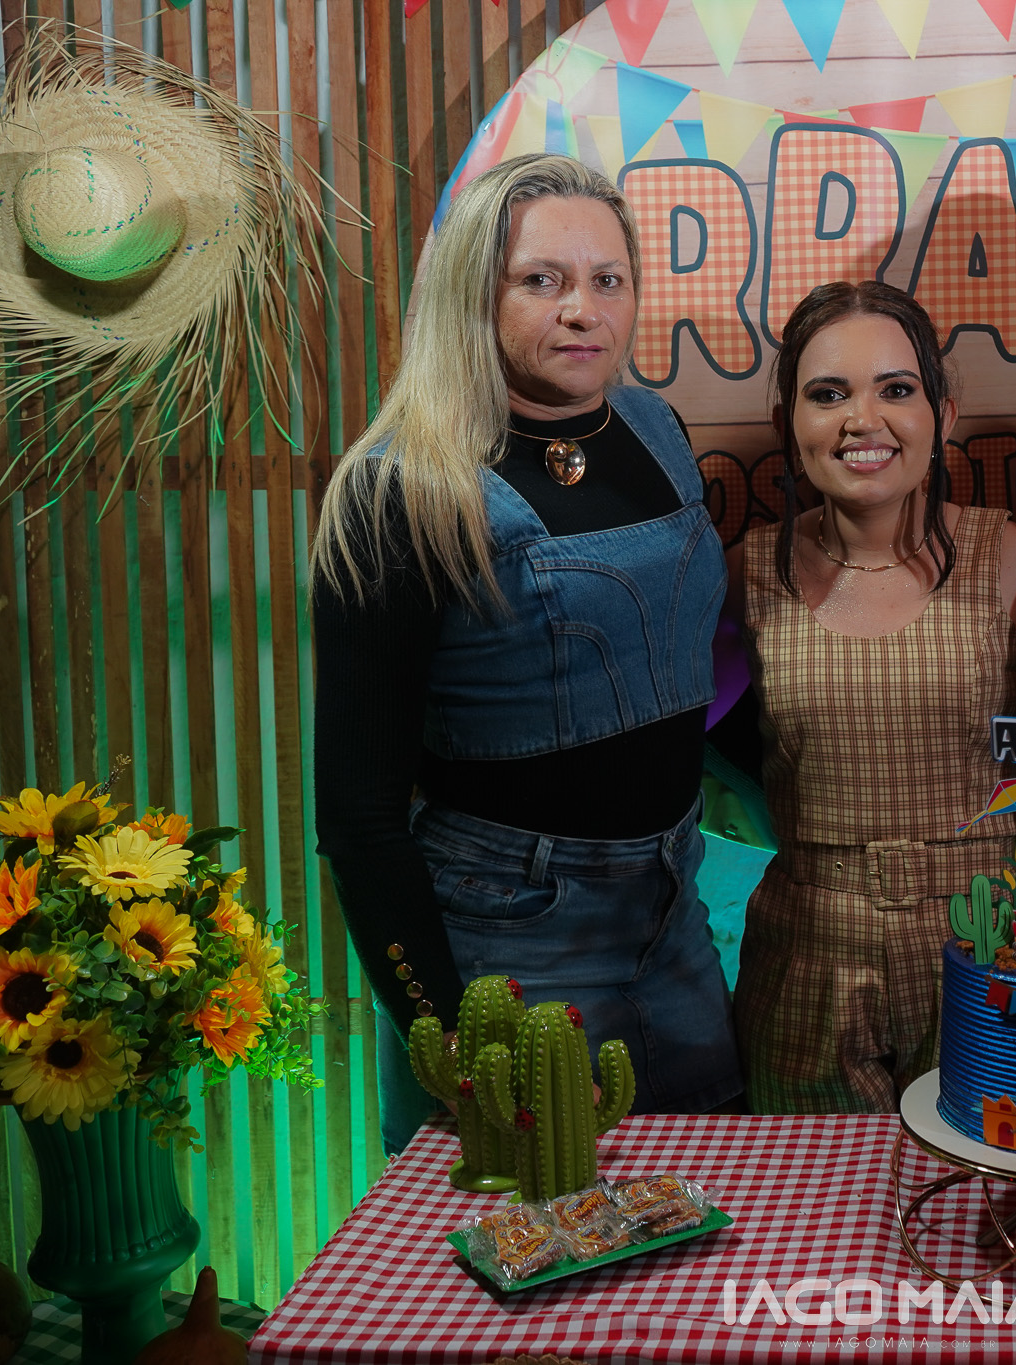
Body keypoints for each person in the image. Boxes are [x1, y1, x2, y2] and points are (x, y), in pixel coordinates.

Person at [310, 154, 742, 1155]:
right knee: (526, 1230)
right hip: (506, 949)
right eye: (541, 280)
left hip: (676, 920)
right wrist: (453, 1040)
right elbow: (359, 821)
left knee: (708, 1213)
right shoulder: (398, 489)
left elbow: (690, 670)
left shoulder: (656, 428)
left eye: (606, 279)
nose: (583, 310)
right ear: (476, 291)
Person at [724, 281, 1016, 1114]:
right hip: (804, 955)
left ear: (942, 414)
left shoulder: (1010, 557)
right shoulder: (744, 570)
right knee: (815, 1186)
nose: (863, 419)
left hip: (988, 941)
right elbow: (695, 739)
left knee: (989, 1177)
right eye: (828, 394)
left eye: (895, 388)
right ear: (786, 423)